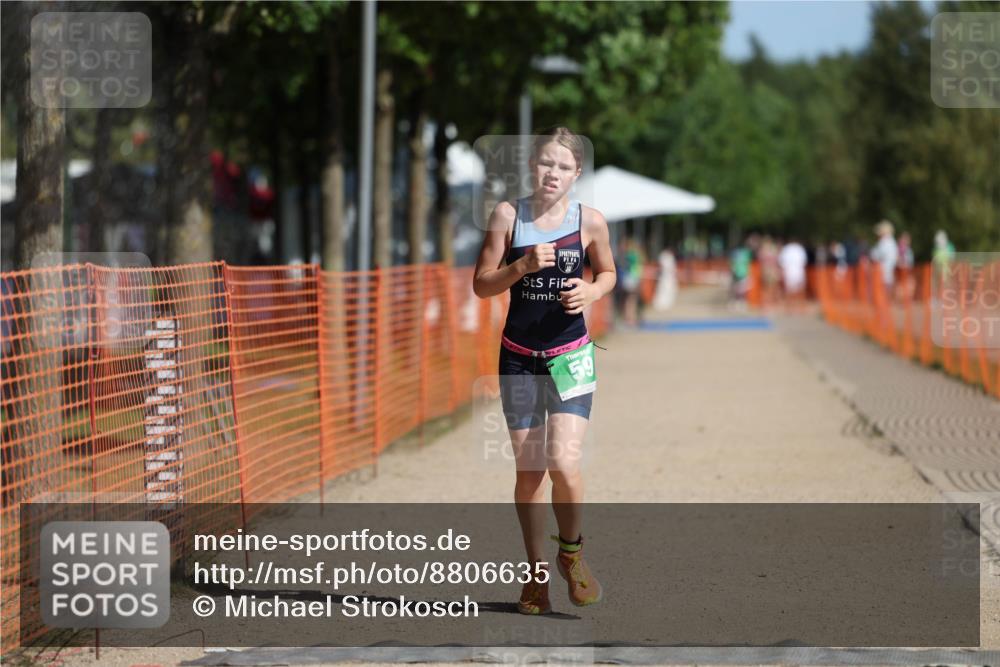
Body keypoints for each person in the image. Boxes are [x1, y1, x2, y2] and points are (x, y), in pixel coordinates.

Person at [472, 127, 616, 615]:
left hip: (571, 355)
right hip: (518, 357)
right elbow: (481, 285)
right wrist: (521, 266)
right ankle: (535, 575)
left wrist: (591, 292)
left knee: (565, 464)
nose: (551, 173)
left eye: (562, 166)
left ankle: (572, 555)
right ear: (532, 167)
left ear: (576, 174)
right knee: (530, 473)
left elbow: (609, 272)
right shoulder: (508, 217)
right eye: (544, 164)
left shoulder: (590, 222)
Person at [778, 237, 808, 307]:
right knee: (795, 288)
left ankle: (794, 304)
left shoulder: (788, 248)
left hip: (792, 270)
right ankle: (794, 304)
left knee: (793, 289)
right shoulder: (798, 248)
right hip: (794, 270)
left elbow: (782, 261)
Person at [870, 220, 899, 290]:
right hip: (888, 272)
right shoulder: (892, 242)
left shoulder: (884, 242)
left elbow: (875, 255)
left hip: (881, 272)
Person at [652, 246, 678, 311]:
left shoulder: (670, 256)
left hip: (670, 277)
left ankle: (667, 304)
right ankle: (660, 304)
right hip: (664, 277)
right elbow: (661, 266)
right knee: (662, 290)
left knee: (670, 290)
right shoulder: (663, 256)